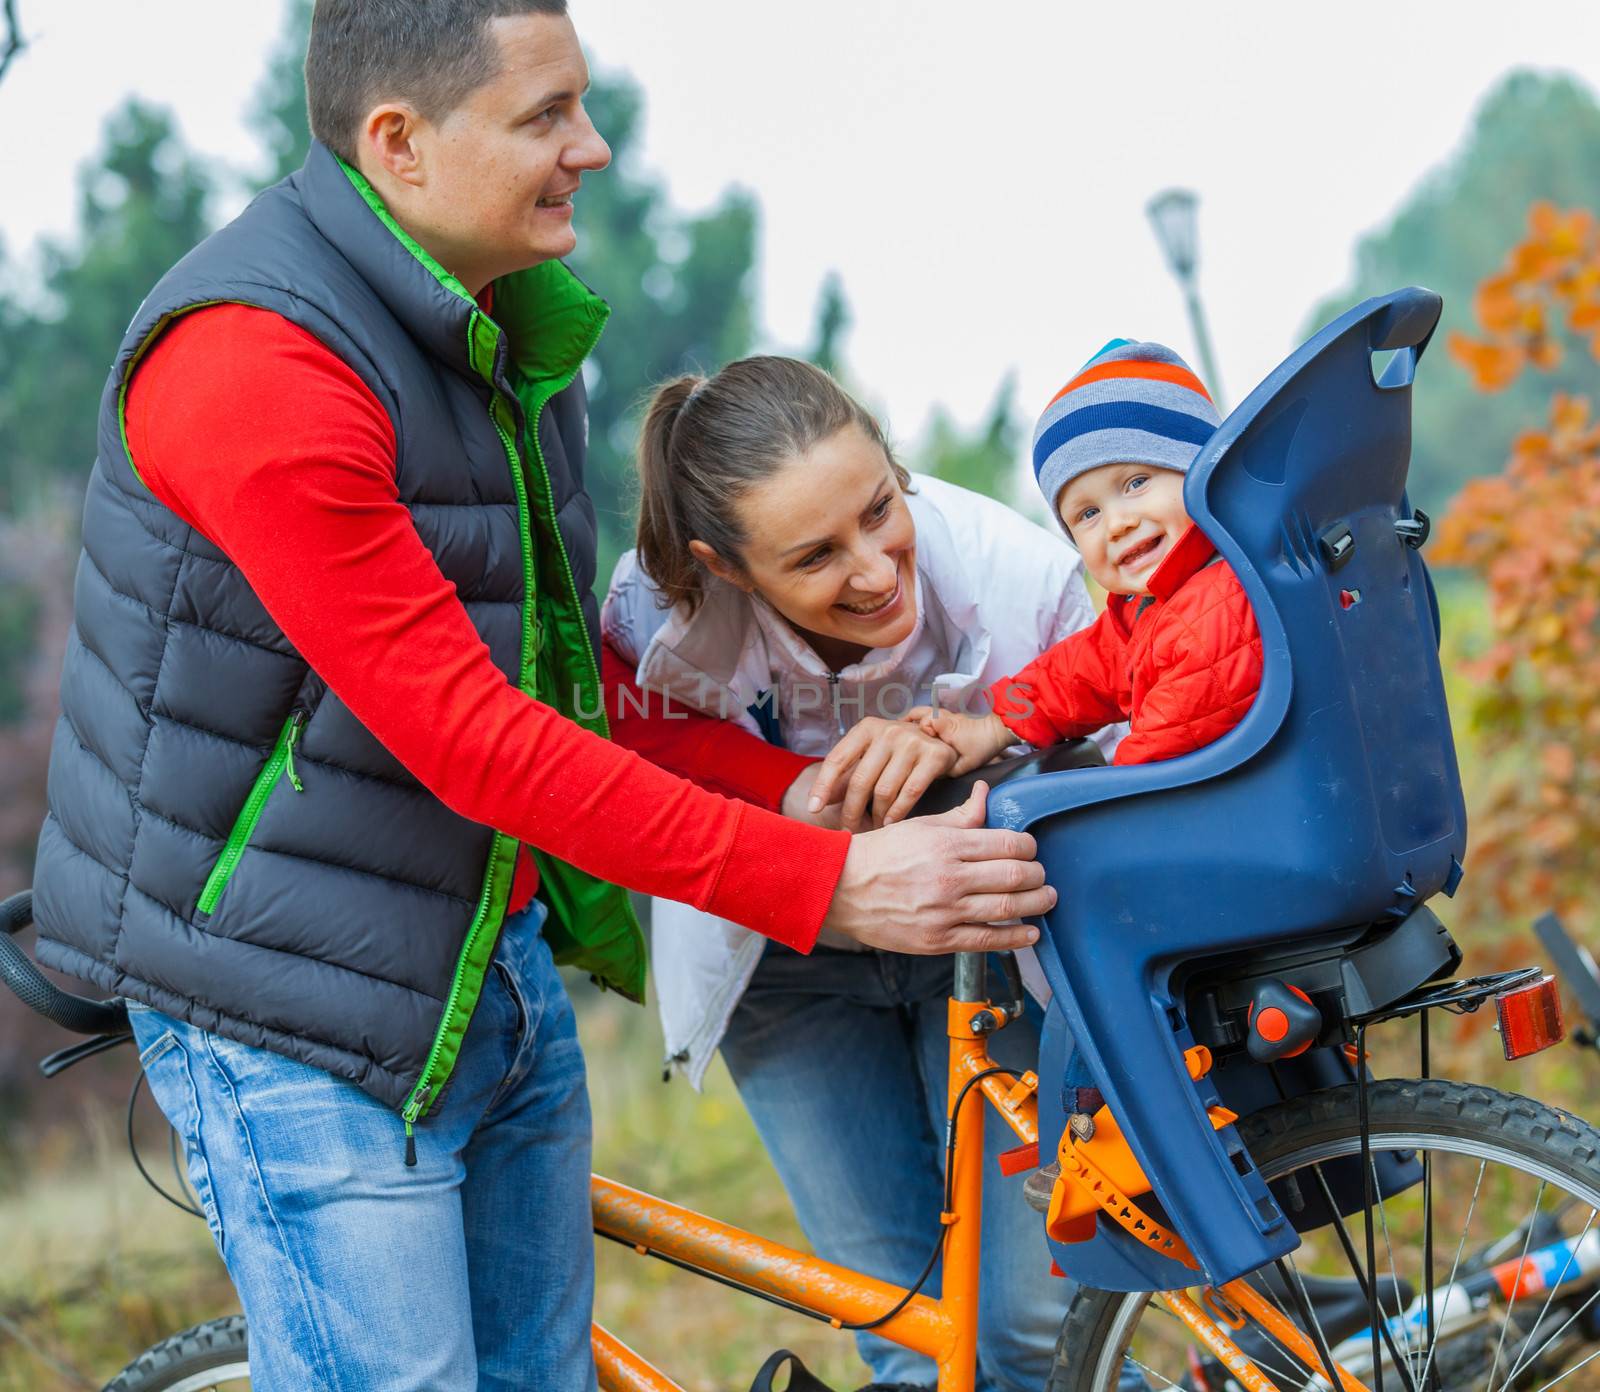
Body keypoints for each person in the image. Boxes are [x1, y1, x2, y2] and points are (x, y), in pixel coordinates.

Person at [26, 5, 1056, 1389]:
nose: (596, 144)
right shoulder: (254, 368)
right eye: (548, 114)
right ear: (400, 142)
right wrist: (826, 885)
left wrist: (813, 800)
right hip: (289, 1014)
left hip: (477, 967)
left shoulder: (501, 340)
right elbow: (470, 736)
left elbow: (574, 697)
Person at [602, 355, 1116, 1392]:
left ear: (891, 459)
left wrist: (988, 728)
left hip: (991, 961)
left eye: (882, 510)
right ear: (727, 568)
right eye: (816, 557)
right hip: (790, 975)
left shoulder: (1019, 582)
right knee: (905, 1335)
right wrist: (790, 788)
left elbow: (1142, 732)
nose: (876, 569)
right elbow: (617, 739)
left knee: (1027, 1335)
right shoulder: (655, 610)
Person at [913, 339, 1263, 775]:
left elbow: (1158, 775)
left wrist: (1106, 809)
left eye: (1136, 482)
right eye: (1089, 513)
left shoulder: (1216, 604)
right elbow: (1078, 673)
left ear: (1204, 472)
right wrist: (993, 727)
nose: (1117, 524)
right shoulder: (1152, 608)